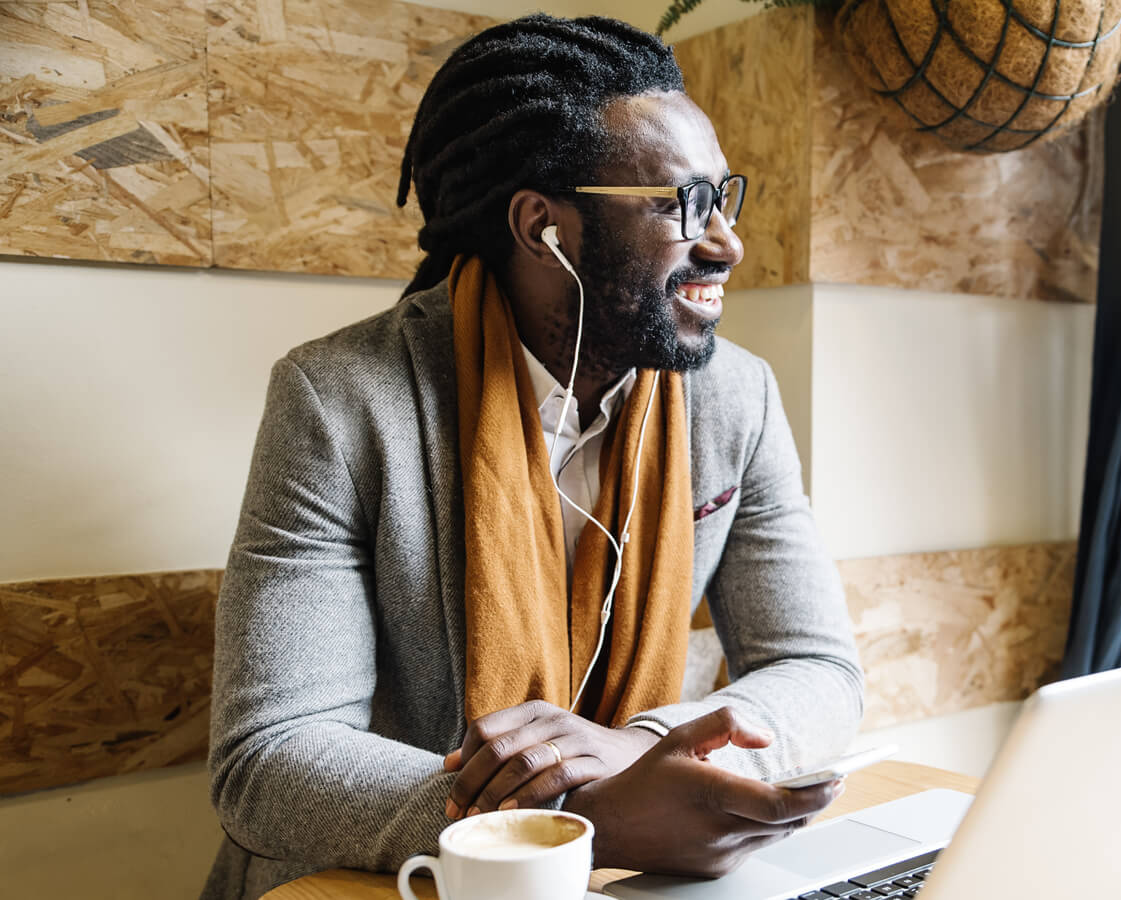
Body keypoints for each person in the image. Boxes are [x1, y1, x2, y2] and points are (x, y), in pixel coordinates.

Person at [202, 15, 864, 900]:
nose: (726, 244)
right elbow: (269, 760)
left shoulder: (735, 399)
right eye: (681, 204)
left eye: (724, 197)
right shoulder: (341, 400)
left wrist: (641, 747)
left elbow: (820, 670)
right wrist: (583, 818)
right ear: (542, 226)